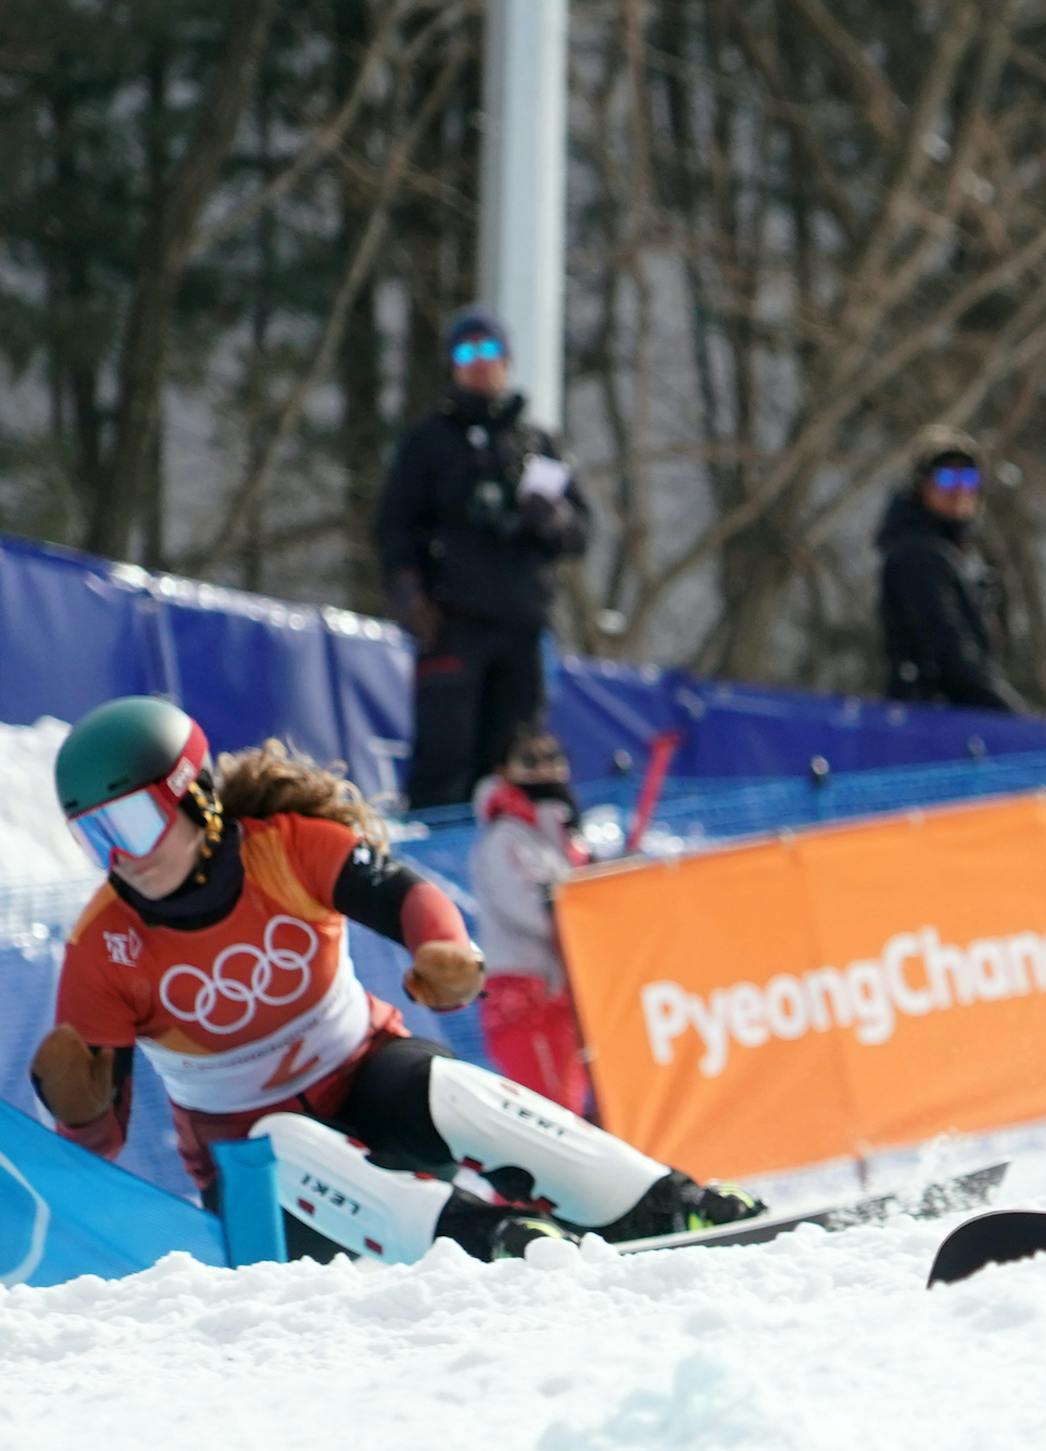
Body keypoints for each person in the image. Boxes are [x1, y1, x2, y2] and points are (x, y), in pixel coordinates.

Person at [32, 696, 765, 1262]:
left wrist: (443, 947)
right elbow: (93, 1146)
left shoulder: (283, 851)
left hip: (373, 1090)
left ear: (191, 793)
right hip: (272, 1192)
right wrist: (78, 1107)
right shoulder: (103, 944)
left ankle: (670, 1202)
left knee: (450, 1086)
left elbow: (406, 895)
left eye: (128, 823)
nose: (120, 856)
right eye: (94, 836)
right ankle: (503, 1242)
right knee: (281, 1136)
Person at [377, 305, 591, 810]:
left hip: (522, 626)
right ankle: (435, 863)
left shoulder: (538, 442)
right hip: (453, 624)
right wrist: (409, 595)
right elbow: (393, 526)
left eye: (489, 349)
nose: (479, 362)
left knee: (517, 756)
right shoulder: (429, 442)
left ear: (508, 360)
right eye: (466, 351)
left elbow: (582, 533)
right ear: (452, 363)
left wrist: (552, 518)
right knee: (445, 754)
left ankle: (515, 861)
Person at [471, 726, 594, 1116]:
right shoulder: (504, 838)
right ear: (504, 770)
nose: (545, 770)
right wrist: (577, 905)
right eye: (530, 761)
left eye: (553, 758)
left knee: (571, 1106)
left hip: (564, 993)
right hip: (522, 997)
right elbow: (526, 908)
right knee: (554, 1113)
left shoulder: (560, 835)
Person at [877, 439, 1027, 712]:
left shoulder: (963, 558)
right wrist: (1017, 723)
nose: (959, 489)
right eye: (946, 477)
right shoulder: (918, 555)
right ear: (922, 487)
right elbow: (952, 658)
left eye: (969, 477)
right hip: (933, 718)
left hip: (956, 715)